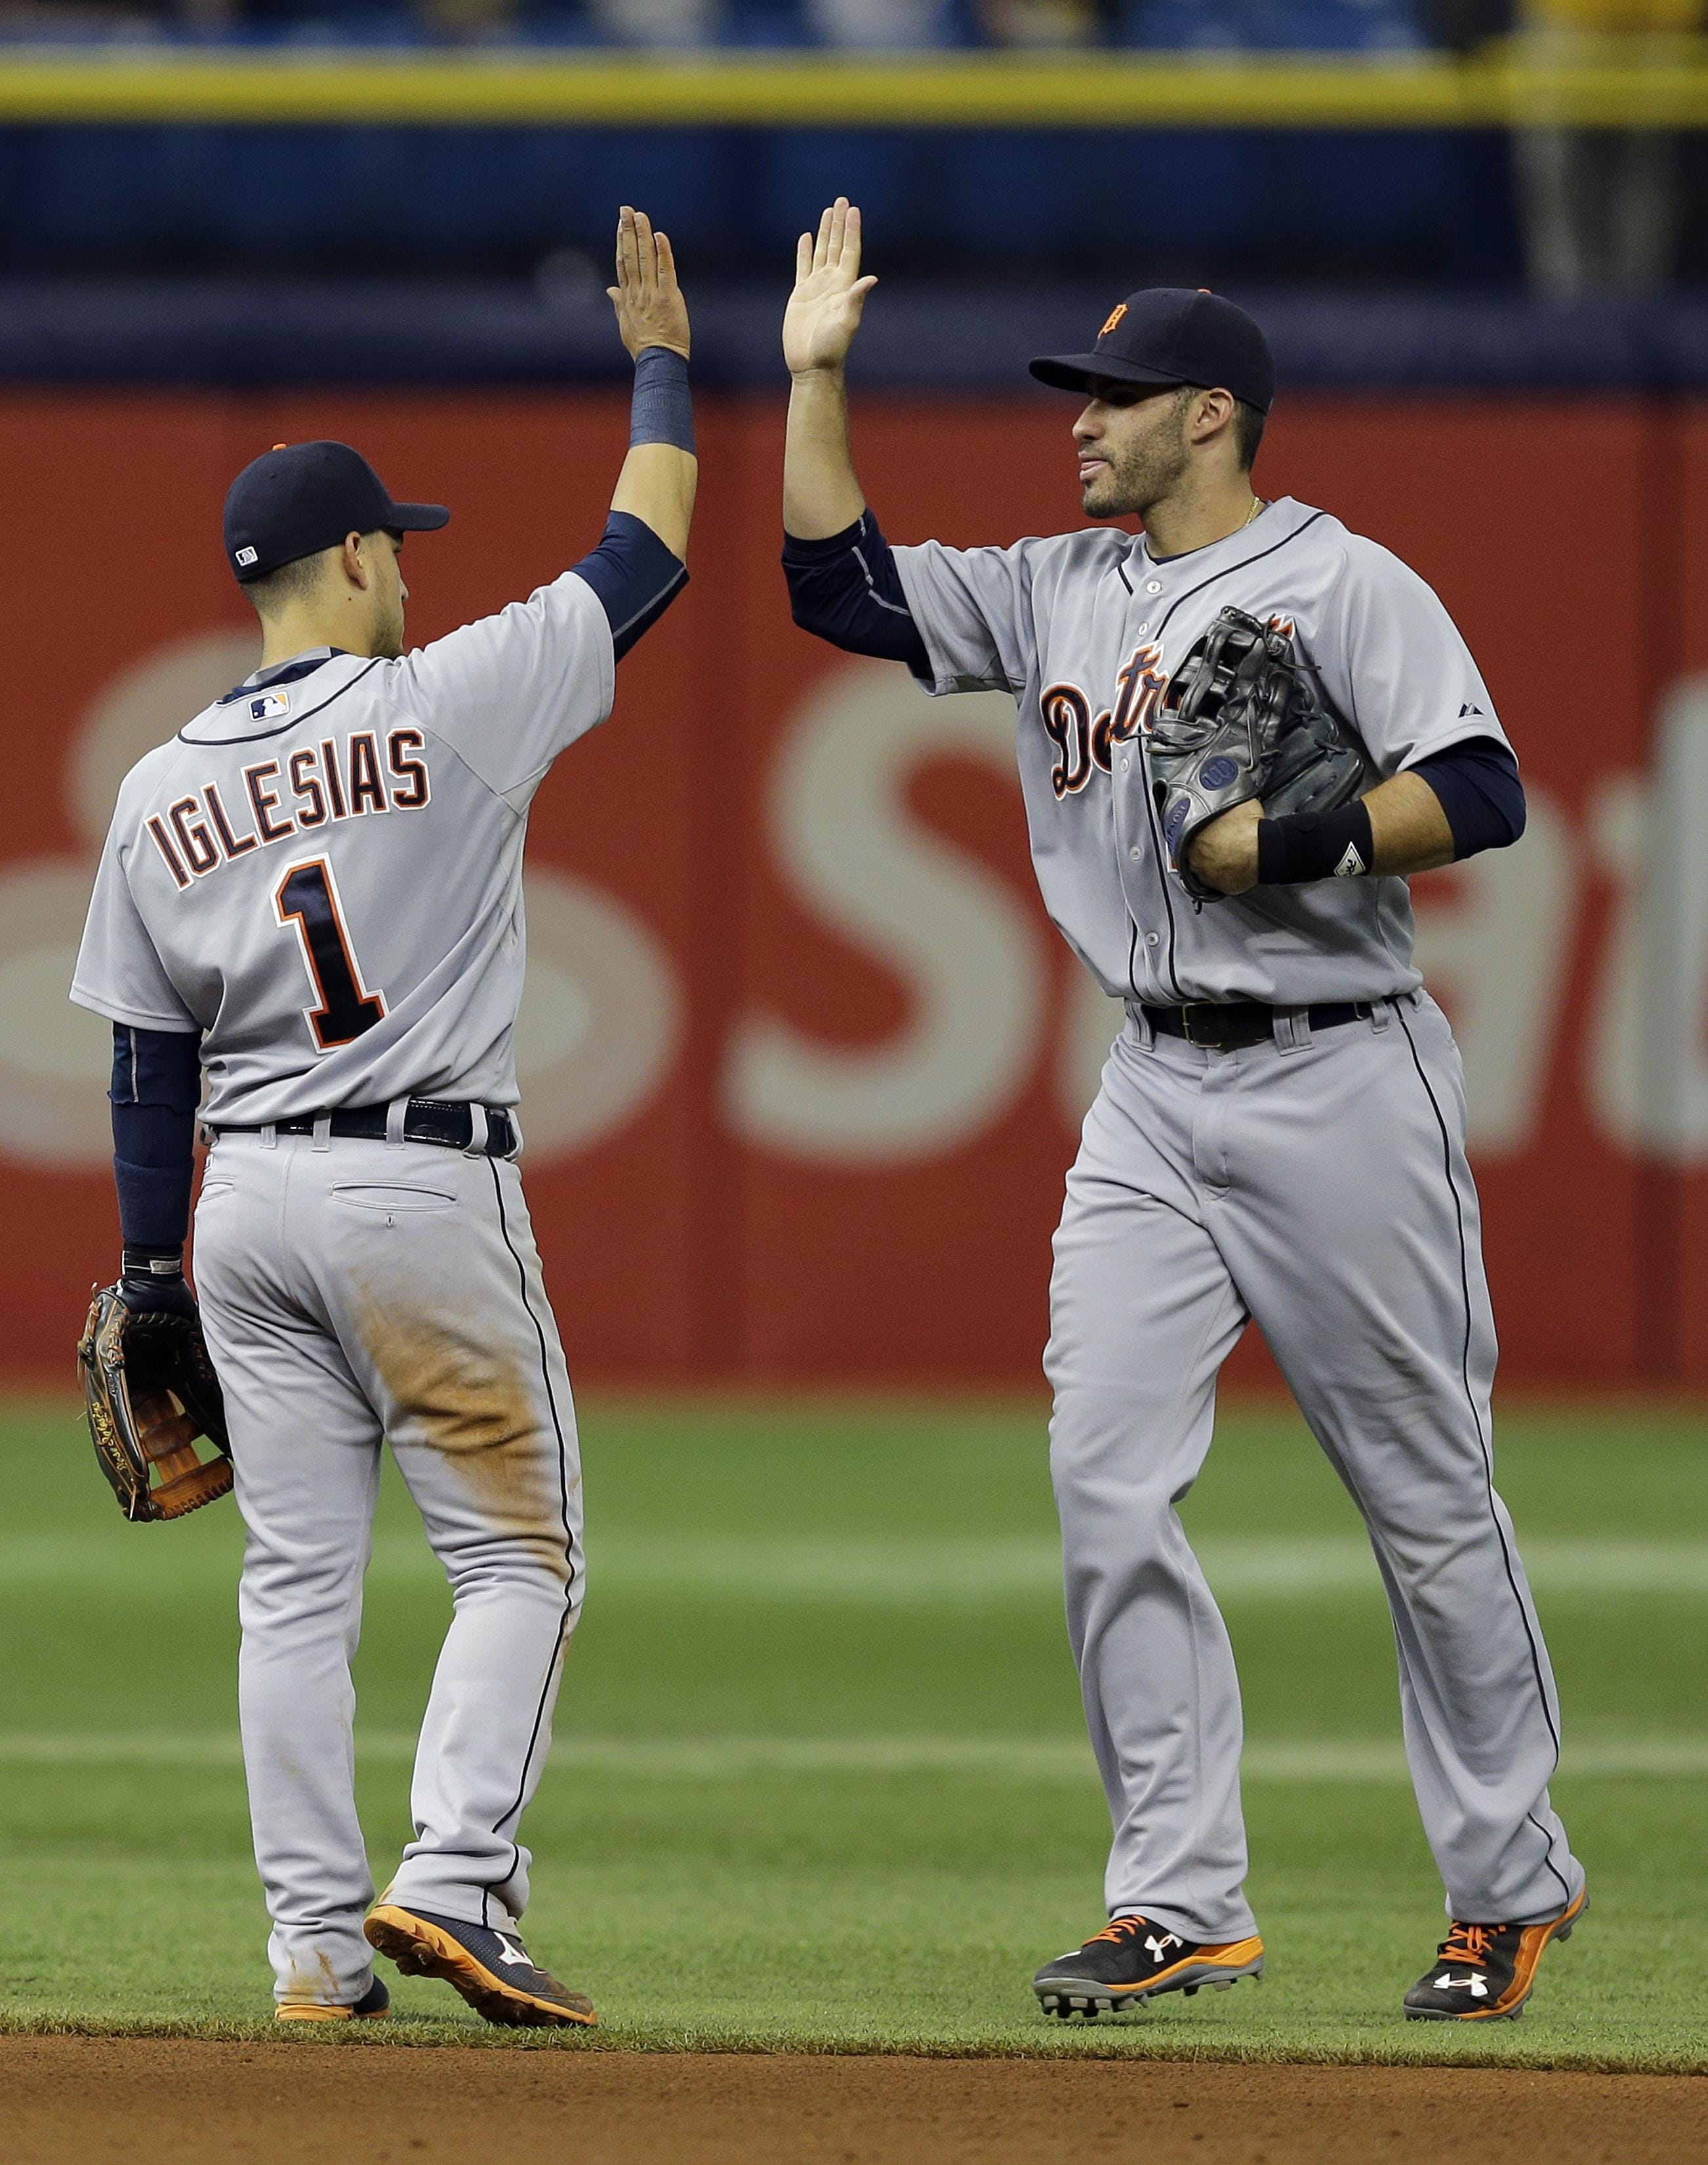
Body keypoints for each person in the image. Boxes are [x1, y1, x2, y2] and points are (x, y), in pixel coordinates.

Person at [779, 198, 1586, 2024]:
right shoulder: (1055, 586)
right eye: (1079, 394)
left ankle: (1508, 1880)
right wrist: (816, 379)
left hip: (1337, 1066)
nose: (1079, 420)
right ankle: (1177, 1895)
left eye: (1114, 398)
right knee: (1101, 1472)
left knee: (1424, 1498)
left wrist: (1290, 833)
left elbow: (1480, 787)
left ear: (1207, 415)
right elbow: (839, 587)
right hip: (1146, 1086)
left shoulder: (1342, 579)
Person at [70, 208, 696, 2027]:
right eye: (394, 547)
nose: (409, 571)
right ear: (351, 556)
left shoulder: (155, 788)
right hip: (416, 1188)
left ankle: (310, 1956)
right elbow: (641, 555)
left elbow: (143, 1063)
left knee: (294, 1587)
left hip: (242, 1203)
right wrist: (658, 355)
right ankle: (451, 1880)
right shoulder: (445, 703)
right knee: (519, 1552)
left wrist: (146, 1265)